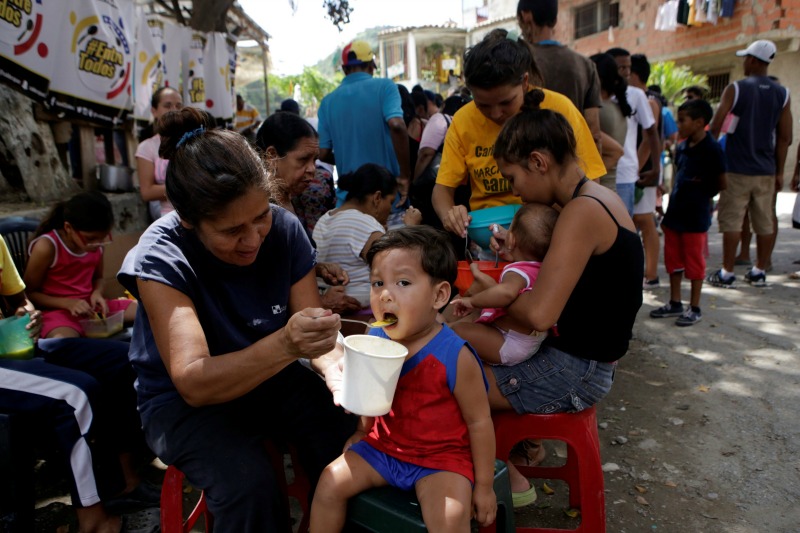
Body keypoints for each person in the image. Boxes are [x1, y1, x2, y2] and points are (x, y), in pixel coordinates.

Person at [117, 106, 357, 531]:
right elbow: (194, 381)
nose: (252, 240)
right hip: (183, 404)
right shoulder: (160, 255)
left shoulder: (283, 229)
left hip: (271, 379)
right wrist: (287, 344)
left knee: (347, 441)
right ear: (188, 221)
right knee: (249, 485)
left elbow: (312, 331)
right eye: (231, 232)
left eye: (260, 216)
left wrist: (337, 368)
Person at [486, 89, 643, 505]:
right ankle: (507, 458)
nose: (516, 193)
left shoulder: (583, 211)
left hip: (576, 369)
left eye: (514, 178)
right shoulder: (594, 198)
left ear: (538, 162)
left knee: (445, 379)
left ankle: (508, 482)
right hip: (584, 359)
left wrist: (489, 293)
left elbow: (538, 313)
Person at [310, 226, 497, 532]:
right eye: (377, 282)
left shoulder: (456, 356)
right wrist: (361, 431)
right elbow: (370, 394)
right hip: (382, 449)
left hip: (440, 460)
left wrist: (484, 486)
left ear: (439, 295)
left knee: (449, 519)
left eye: (403, 282)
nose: (385, 294)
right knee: (329, 483)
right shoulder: (374, 335)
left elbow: (479, 421)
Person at [0, 235, 157, 533]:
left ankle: (122, 482)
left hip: (11, 345)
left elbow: (20, 299)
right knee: (76, 395)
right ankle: (95, 520)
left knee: (126, 360)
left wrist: (27, 313)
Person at [433, 29, 605, 242]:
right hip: (488, 239)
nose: (496, 114)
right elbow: (442, 190)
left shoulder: (560, 109)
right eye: (483, 105)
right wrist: (450, 215)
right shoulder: (462, 121)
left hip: (554, 235)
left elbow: (591, 181)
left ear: (524, 82)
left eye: (506, 102)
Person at [255, 111, 362, 316]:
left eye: (314, 160)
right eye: (303, 160)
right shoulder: (263, 213)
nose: (312, 169)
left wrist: (317, 268)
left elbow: (285, 265)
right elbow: (267, 287)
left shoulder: (288, 200)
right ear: (271, 156)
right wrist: (323, 302)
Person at [707, 40, 793, 288]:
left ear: (754, 60)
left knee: (732, 220)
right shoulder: (782, 93)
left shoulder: (736, 89)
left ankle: (727, 272)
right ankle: (759, 271)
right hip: (766, 169)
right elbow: (785, 137)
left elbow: (715, 126)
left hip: (736, 167)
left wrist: (711, 162)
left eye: (746, 58)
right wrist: (779, 171)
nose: (743, 62)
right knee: (765, 221)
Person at [450, 203, 558, 366]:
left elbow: (506, 293)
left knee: (455, 332)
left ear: (512, 239)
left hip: (509, 342)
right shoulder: (546, 267)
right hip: (530, 338)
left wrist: (472, 301)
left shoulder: (516, 272)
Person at [650, 99, 726, 326]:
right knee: (673, 260)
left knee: (694, 262)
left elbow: (722, 182)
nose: (678, 124)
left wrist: (702, 193)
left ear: (699, 122)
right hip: (676, 213)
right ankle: (675, 302)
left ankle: (695, 307)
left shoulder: (712, 149)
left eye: (682, 120)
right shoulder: (681, 147)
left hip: (696, 216)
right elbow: (677, 176)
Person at [24, 192, 136, 339]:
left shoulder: (97, 244)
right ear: (68, 228)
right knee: (64, 343)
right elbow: (29, 293)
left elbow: (98, 278)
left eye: (103, 238)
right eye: (90, 239)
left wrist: (97, 293)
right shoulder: (47, 246)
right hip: (58, 313)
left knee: (150, 311)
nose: (97, 244)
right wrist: (68, 303)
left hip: (91, 308)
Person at [312, 163, 421, 307]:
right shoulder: (364, 223)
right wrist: (412, 228)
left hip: (329, 304)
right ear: (377, 197)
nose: (390, 209)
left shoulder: (325, 219)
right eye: (390, 202)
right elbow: (398, 265)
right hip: (360, 310)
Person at [317, 41, 411, 205]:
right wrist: (404, 176)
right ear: (371, 66)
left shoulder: (327, 102)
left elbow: (323, 153)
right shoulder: (385, 87)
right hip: (386, 200)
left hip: (349, 202)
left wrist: (345, 155)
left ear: (345, 70)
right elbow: (397, 124)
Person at [516, 0, 602, 153]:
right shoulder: (586, 65)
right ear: (555, 20)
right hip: (572, 165)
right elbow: (594, 132)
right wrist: (592, 176)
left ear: (526, 15)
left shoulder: (517, 61)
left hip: (529, 162)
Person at [606, 48, 662, 219]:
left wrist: (655, 167)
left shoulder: (636, 95)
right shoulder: (595, 93)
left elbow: (651, 133)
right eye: (622, 67)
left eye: (628, 68)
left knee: (623, 228)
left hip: (624, 174)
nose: (627, 72)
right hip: (599, 171)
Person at [629, 53, 663, 289]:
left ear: (635, 74)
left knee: (645, 221)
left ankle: (651, 273)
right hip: (638, 169)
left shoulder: (649, 100)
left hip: (643, 169)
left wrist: (637, 169)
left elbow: (648, 140)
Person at [412, 93, 471, 228]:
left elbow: (426, 153)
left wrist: (415, 180)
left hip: (437, 184)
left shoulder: (439, 119)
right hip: (461, 187)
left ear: (444, 106)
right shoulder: (464, 123)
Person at [135, 86, 183, 220]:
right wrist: (187, 185)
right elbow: (147, 192)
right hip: (168, 215)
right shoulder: (147, 147)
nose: (174, 110)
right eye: (167, 106)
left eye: (179, 105)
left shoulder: (194, 141)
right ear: (154, 111)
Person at [591, 53, 631, 192]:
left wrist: (585, 180)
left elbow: (615, 152)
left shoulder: (598, 111)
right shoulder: (618, 108)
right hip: (611, 187)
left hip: (599, 189)